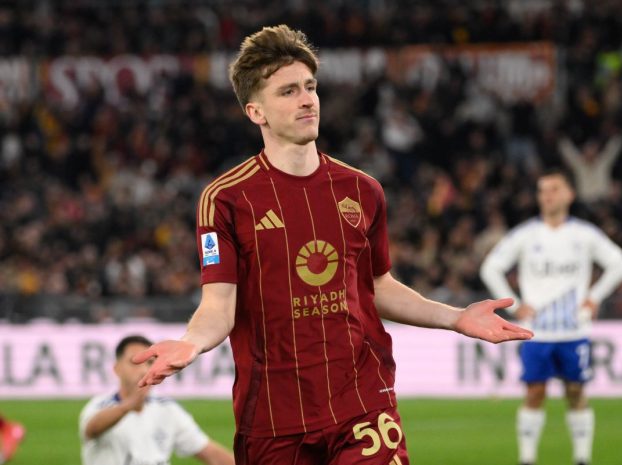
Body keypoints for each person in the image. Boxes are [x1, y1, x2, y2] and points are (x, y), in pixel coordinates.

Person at [132, 24, 533, 465]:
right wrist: (190, 343)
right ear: (255, 112)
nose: (307, 99)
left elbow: (377, 286)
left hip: (362, 403)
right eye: (288, 91)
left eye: (310, 87)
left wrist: (455, 317)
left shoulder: (362, 190)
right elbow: (219, 306)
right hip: (273, 419)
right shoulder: (225, 199)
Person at [480, 169, 622, 465]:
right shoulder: (525, 234)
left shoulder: (585, 234)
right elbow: (490, 268)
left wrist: (595, 296)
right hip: (536, 332)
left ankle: (582, 458)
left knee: (576, 392)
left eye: (554, 189)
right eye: (542, 190)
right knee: (535, 392)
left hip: (574, 330)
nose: (547, 196)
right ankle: (527, 459)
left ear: (569, 194)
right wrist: (514, 306)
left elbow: (620, 264)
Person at [79, 335, 236, 465]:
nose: (143, 370)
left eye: (149, 363)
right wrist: (128, 406)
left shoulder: (167, 409)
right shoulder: (100, 406)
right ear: (117, 368)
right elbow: (91, 429)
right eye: (134, 363)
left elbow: (210, 453)